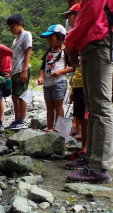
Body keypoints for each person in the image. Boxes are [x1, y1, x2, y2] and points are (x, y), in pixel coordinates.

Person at [65, 0, 113, 183]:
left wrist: (70, 41)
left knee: (100, 106)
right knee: (93, 106)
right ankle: (92, 158)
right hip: (92, 45)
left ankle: (99, 166)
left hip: (99, 43)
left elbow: (89, 13)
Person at [61, 4, 88, 168]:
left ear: (77, 15)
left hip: (85, 83)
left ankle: (87, 150)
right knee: (80, 116)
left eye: (69, 16)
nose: (68, 20)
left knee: (86, 117)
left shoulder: (84, 36)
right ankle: (84, 149)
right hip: (78, 82)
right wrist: (72, 88)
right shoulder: (76, 38)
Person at [37, 25, 74, 132]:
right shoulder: (48, 52)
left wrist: (60, 72)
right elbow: (42, 68)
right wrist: (41, 77)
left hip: (59, 82)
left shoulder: (65, 52)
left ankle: (60, 129)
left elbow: (72, 67)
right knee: (49, 107)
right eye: (48, 39)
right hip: (47, 83)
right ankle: (50, 128)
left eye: (51, 39)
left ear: (60, 37)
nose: (49, 41)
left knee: (58, 106)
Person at [5, 13, 32, 130]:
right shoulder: (15, 40)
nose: (10, 29)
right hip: (15, 71)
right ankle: (17, 120)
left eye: (12, 26)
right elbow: (14, 57)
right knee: (14, 96)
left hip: (22, 70)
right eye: (9, 27)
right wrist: (11, 72)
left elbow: (28, 52)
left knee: (22, 95)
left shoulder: (26, 35)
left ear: (20, 24)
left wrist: (24, 70)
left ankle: (22, 120)